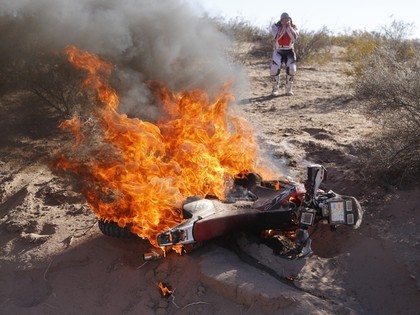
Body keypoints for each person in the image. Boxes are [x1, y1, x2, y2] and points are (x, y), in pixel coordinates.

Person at [270, 12, 299, 96]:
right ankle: (275, 89)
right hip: (278, 50)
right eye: (284, 19)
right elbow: (277, 36)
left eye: (287, 19)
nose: (286, 20)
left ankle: (288, 89)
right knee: (274, 69)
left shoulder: (294, 27)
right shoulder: (275, 26)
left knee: (292, 69)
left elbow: (294, 37)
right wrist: (283, 27)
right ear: (280, 19)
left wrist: (289, 27)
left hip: (289, 50)